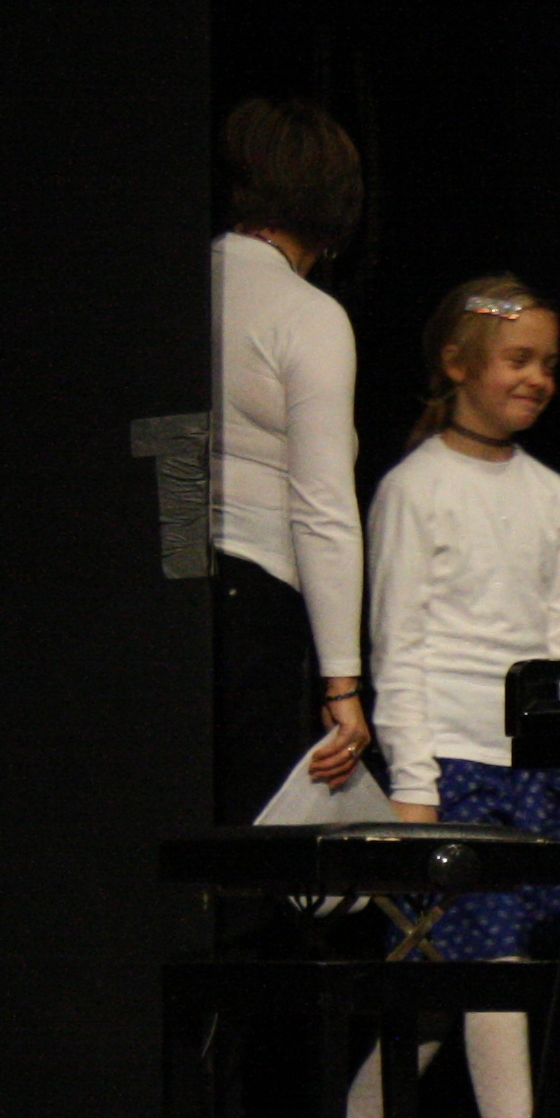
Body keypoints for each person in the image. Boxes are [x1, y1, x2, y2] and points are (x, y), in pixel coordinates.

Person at [335, 274, 560, 1118]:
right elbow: (397, 647)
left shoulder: (551, 495)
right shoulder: (414, 489)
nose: (536, 378)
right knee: (476, 971)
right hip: (449, 767)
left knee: (467, 983)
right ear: (457, 366)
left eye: (548, 364)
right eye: (516, 360)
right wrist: (414, 784)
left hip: (529, 771)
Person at [209, 97, 371, 810]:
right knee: (253, 840)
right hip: (259, 611)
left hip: (169, 596)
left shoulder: (181, 283)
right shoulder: (306, 314)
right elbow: (322, 504)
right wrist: (342, 683)